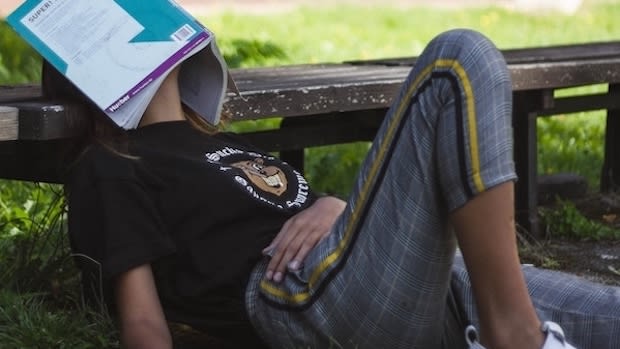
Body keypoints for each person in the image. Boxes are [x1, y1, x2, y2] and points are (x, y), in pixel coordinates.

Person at [45, 28, 620, 349]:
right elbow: (143, 323)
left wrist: (332, 203)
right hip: (306, 300)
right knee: (459, 60)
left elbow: (302, 210)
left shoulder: (216, 144)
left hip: (429, 284)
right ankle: (515, 337)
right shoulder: (112, 163)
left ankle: (499, 327)